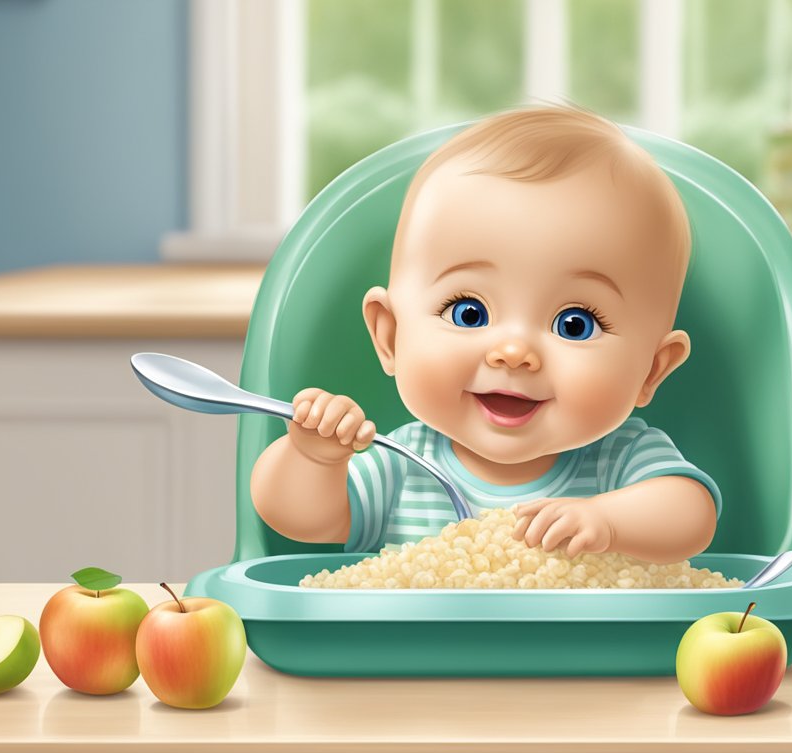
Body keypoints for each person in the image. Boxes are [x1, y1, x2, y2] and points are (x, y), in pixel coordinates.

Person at [250, 104, 721, 565]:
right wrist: (311, 458)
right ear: (390, 336)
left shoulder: (622, 462)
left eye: (574, 324)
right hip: (413, 647)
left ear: (651, 370)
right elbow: (301, 520)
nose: (514, 352)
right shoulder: (403, 464)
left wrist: (609, 522)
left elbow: (691, 516)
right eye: (469, 313)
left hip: (587, 647)